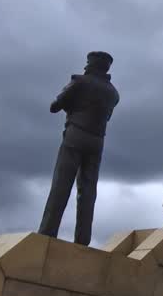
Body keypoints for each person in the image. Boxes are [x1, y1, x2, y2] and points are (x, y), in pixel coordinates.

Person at [38, 51, 120, 245]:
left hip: (75, 135)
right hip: (97, 141)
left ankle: (47, 233)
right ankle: (83, 239)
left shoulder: (80, 82)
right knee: (88, 190)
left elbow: (55, 106)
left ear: (91, 65)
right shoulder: (113, 93)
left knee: (61, 185)